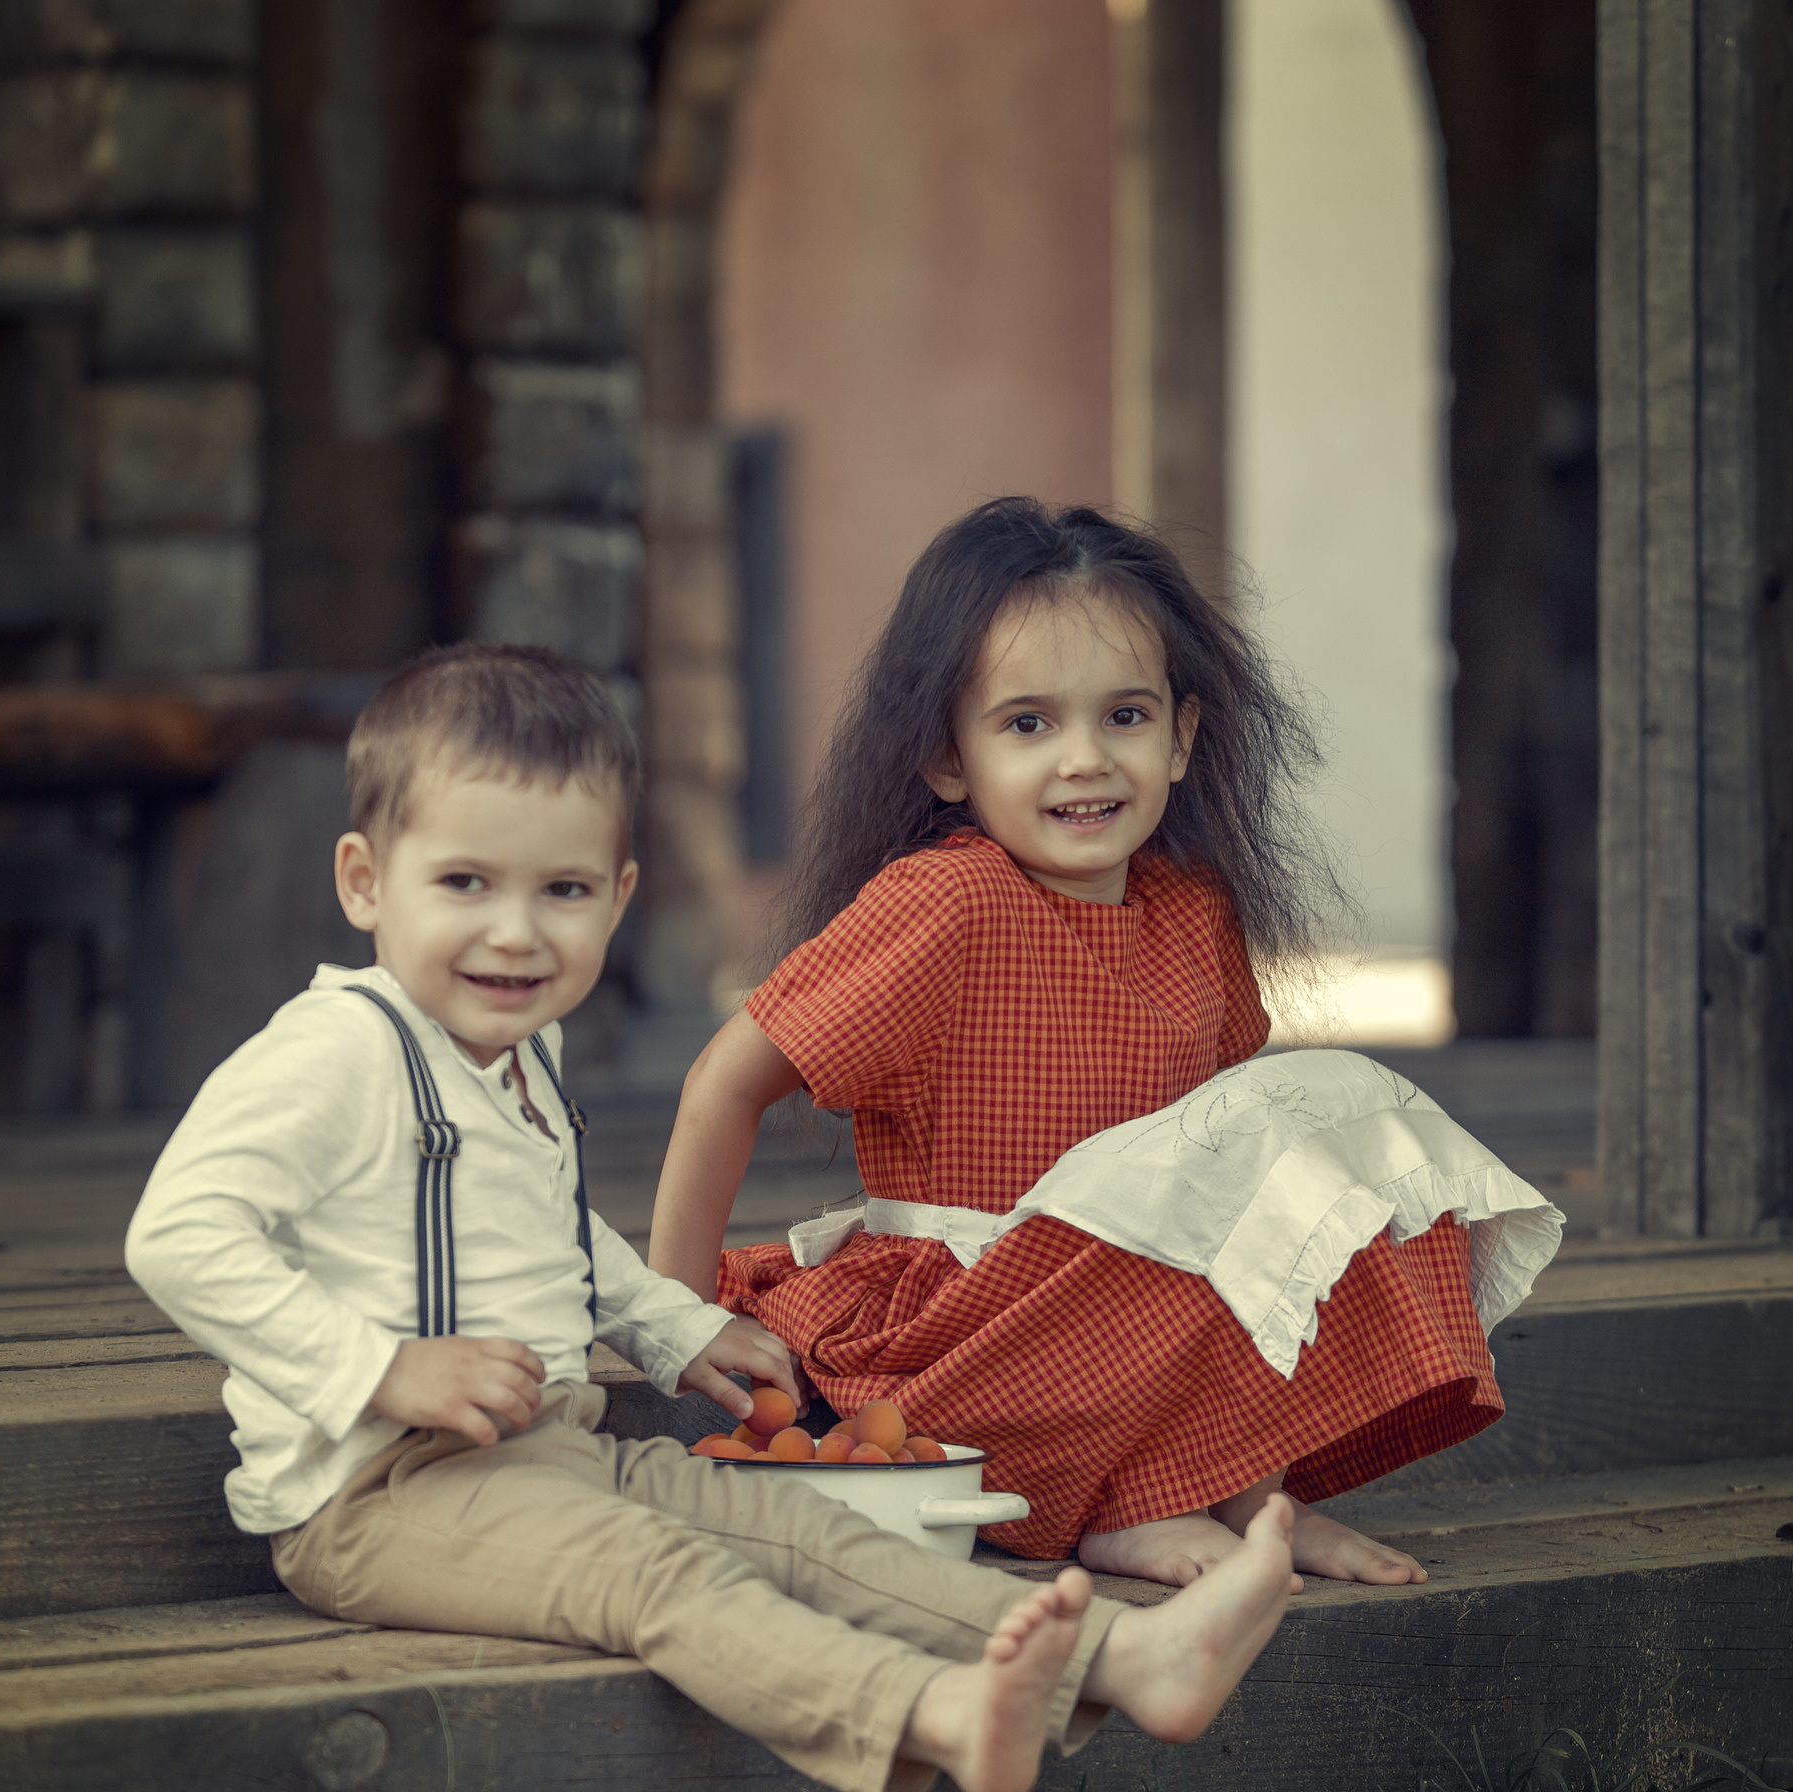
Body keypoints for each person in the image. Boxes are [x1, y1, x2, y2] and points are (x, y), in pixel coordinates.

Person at [125, 640, 1309, 1792]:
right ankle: (929, 1715)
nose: (516, 934)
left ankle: (1126, 1660)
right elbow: (180, 1237)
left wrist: (672, 1330)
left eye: (564, 892)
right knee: (658, 1573)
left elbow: (550, 1234)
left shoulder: (513, 1053)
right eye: (464, 884)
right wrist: (381, 1367)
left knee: (790, 1523)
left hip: (545, 1458)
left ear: (620, 899)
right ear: (365, 881)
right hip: (378, 1499)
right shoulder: (338, 1051)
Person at [649, 500, 1561, 1592]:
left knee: (1346, 1142)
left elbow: (1231, 1198)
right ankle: (1138, 1505)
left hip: (1128, 1338)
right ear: (949, 759)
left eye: (1123, 716)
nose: (1084, 761)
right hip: (968, 1347)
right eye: (1027, 725)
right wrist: (671, 1318)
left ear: (1181, 737)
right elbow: (721, 1082)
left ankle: (1245, 1489)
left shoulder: (1189, 909)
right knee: (1255, 1165)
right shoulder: (948, 905)